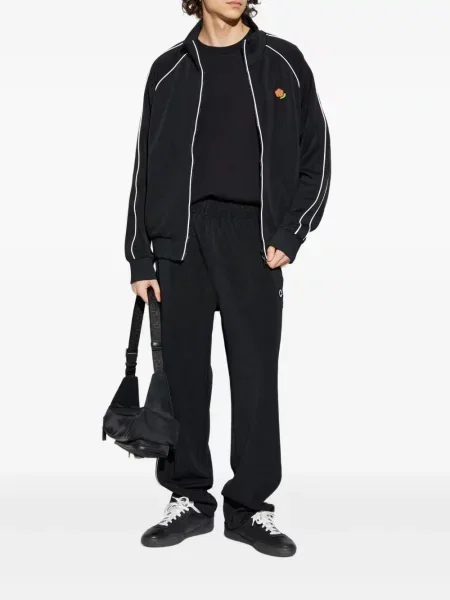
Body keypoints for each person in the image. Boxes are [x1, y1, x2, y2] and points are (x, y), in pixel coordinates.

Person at [124, 0, 330, 558]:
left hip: (254, 240)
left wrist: (291, 233)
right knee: (184, 375)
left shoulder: (283, 62)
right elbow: (145, 168)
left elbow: (317, 153)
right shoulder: (168, 70)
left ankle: (249, 507)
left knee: (255, 377)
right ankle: (189, 497)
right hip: (180, 243)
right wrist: (140, 257)